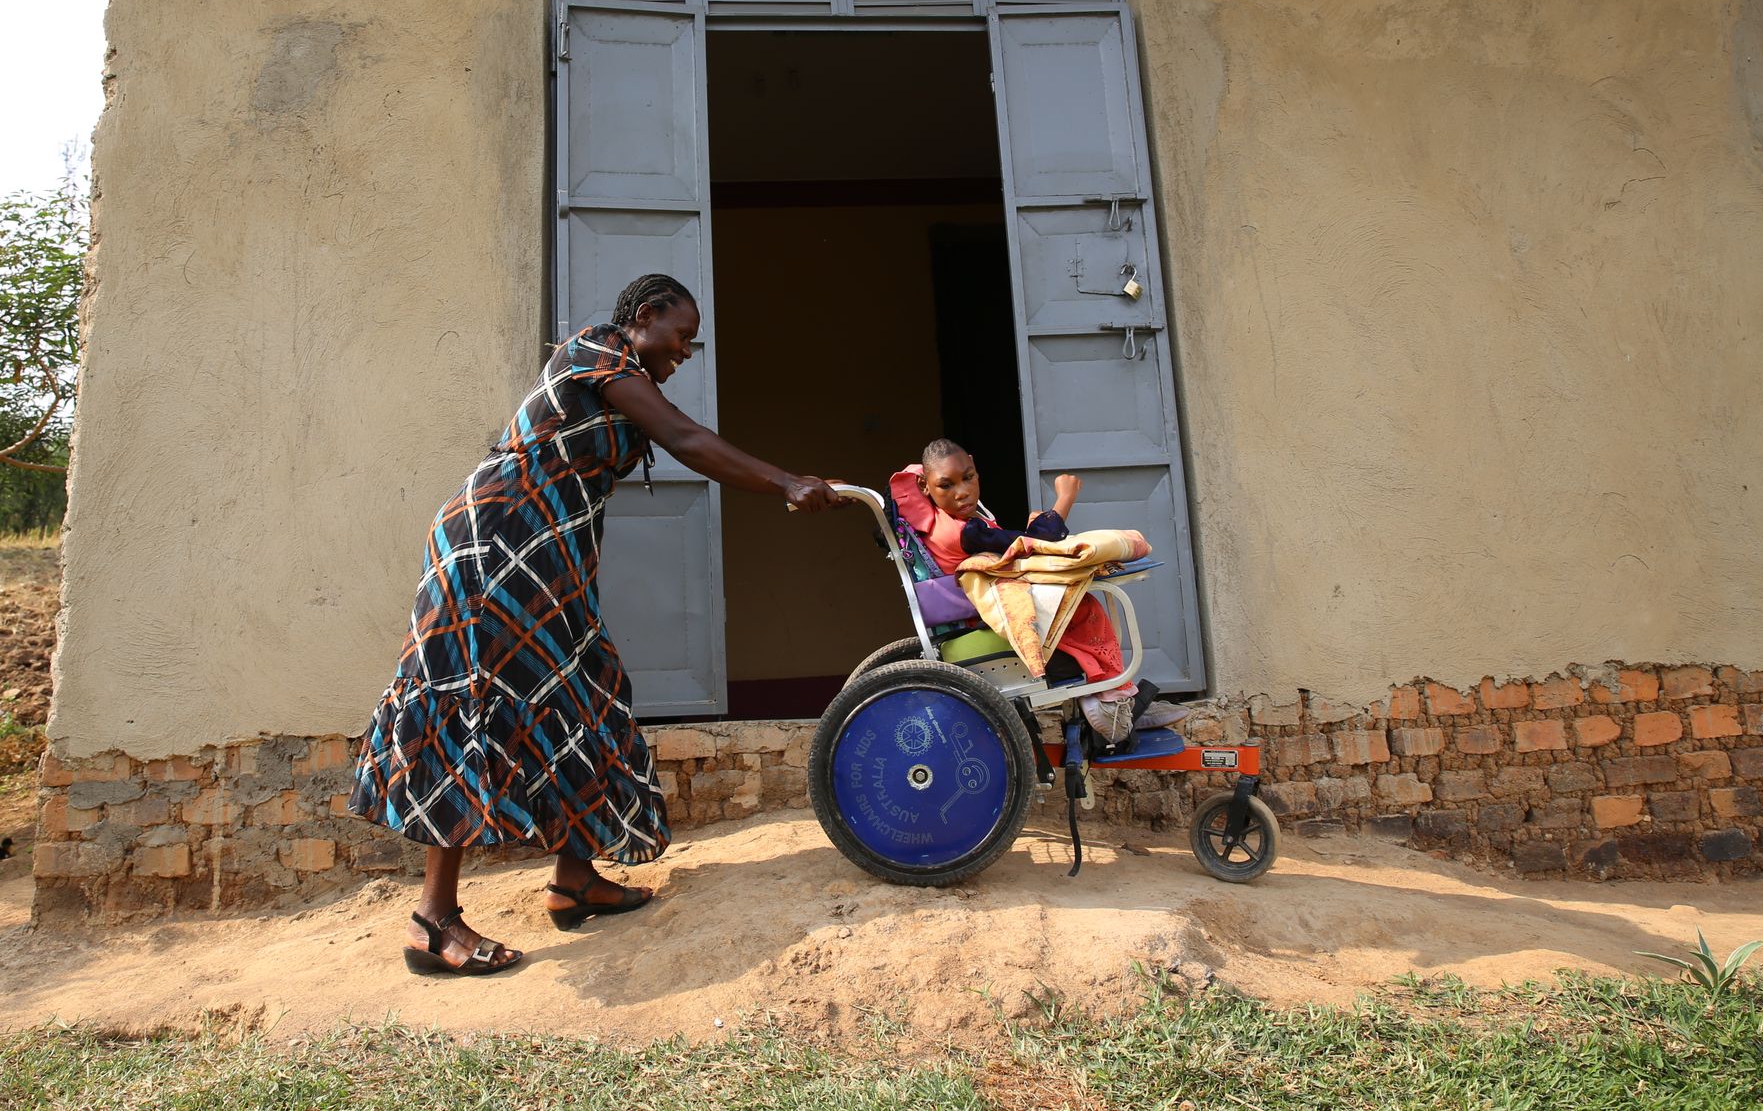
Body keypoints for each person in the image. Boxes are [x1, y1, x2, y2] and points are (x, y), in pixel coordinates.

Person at [350, 274, 843, 976]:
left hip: (549, 562)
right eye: (680, 336)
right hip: (494, 548)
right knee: (470, 701)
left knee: (591, 690)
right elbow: (684, 436)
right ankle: (433, 919)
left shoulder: (623, 372)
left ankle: (574, 878)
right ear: (642, 319)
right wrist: (786, 481)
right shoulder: (595, 352)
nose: (684, 351)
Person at [891, 438, 1184, 740]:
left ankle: (1119, 697)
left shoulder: (934, 518)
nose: (962, 492)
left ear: (975, 467)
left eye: (968, 477)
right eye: (946, 486)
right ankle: (1112, 701)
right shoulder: (966, 533)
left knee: (1081, 606)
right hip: (986, 616)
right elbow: (1036, 543)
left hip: (978, 607)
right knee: (1086, 608)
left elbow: (909, 478)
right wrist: (1065, 498)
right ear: (925, 486)